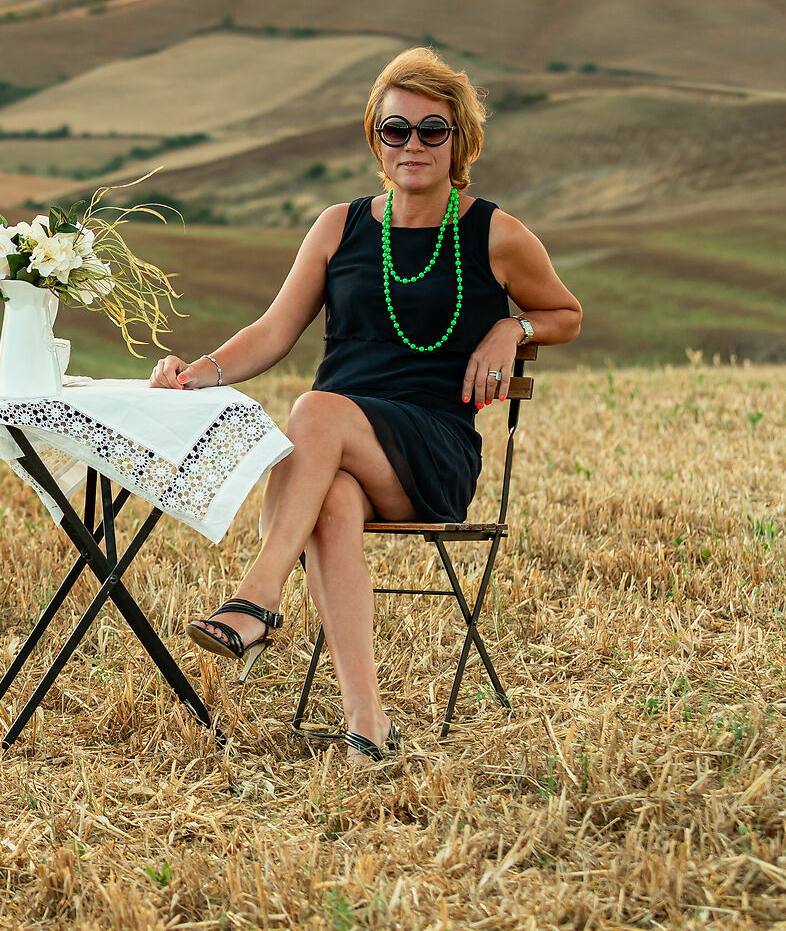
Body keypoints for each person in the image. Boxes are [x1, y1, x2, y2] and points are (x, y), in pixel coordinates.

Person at [149, 47, 582, 763]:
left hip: (431, 453)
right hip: (338, 454)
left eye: (432, 130)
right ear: (376, 140)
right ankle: (368, 724)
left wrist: (515, 328)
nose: (413, 144)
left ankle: (258, 597)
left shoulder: (496, 234)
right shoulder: (338, 227)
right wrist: (197, 374)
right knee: (333, 497)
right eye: (395, 129)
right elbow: (273, 331)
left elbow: (565, 313)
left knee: (316, 410)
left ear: (460, 141)